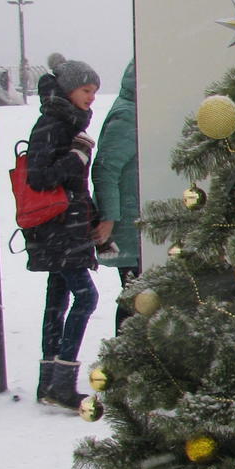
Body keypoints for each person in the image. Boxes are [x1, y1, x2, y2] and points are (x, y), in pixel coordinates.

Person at [25, 59, 101, 409]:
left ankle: (49, 384)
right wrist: (77, 155)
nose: (92, 97)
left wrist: (93, 219)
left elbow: (74, 185)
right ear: (69, 89)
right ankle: (62, 382)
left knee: (57, 299)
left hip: (64, 227)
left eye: (95, 91)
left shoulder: (65, 122)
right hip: (57, 229)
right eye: (86, 90)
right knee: (86, 298)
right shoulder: (52, 124)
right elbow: (39, 178)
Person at [91, 60, 140, 332]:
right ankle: (126, 351)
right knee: (137, 297)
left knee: (138, 294)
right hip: (129, 225)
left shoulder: (137, 107)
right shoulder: (129, 114)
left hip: (135, 222)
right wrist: (108, 218)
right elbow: (105, 169)